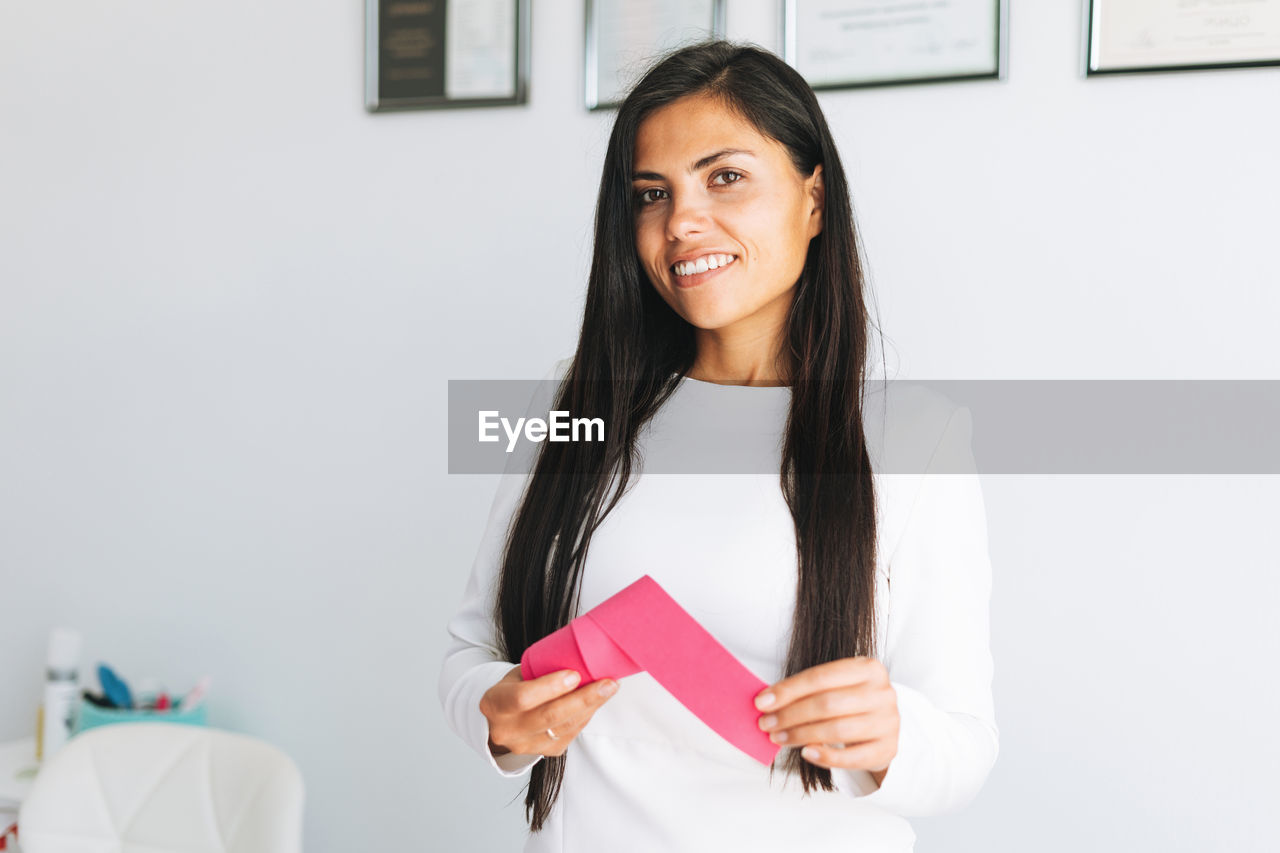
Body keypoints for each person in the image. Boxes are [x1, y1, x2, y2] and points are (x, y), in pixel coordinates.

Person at [438, 40, 998, 852]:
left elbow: (965, 747)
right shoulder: (574, 406)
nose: (681, 222)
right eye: (650, 194)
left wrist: (892, 733)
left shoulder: (914, 436)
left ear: (813, 198)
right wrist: (496, 711)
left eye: (724, 177)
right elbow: (471, 652)